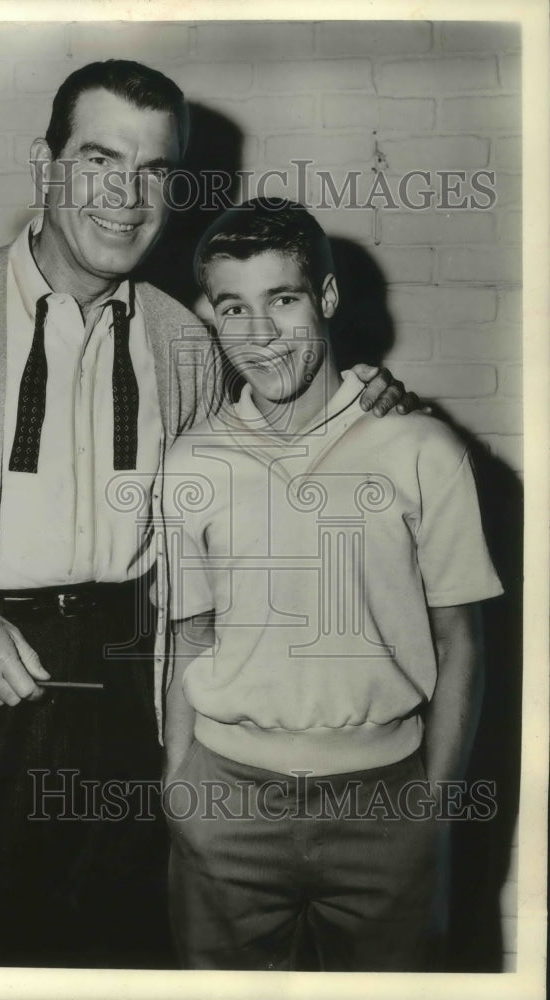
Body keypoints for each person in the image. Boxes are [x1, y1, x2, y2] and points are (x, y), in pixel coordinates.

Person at [0, 63, 415, 968]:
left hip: (129, 702)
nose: (127, 196)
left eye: (154, 170)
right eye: (99, 160)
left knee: (120, 964)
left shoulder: (185, 340)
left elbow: (262, 487)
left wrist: (361, 407)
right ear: (45, 165)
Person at [160, 198, 503, 972]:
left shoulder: (421, 446)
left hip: (384, 802)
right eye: (233, 308)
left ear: (328, 297)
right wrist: (179, 784)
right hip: (224, 800)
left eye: (282, 300)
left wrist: (433, 808)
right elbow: (188, 635)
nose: (260, 334)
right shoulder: (190, 463)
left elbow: (462, 642)